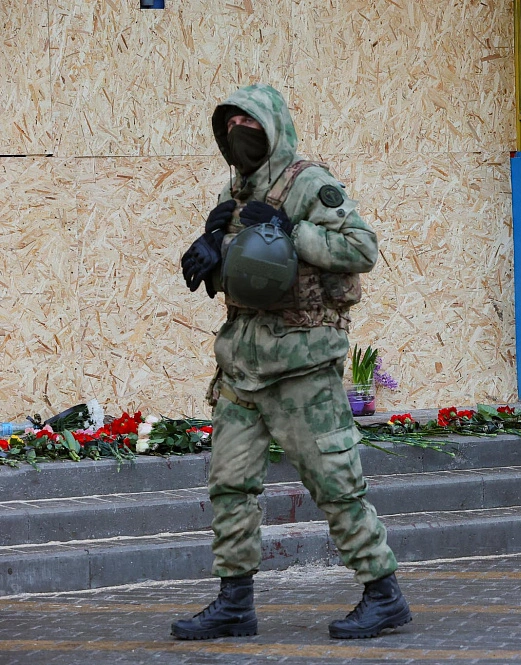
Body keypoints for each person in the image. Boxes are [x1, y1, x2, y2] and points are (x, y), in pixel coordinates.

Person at [173, 84, 412, 641]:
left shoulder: (309, 183)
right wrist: (213, 247)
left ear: (274, 129)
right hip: (242, 366)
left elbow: (362, 249)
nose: (238, 134)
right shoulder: (235, 188)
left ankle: (384, 594)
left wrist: (292, 229)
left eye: (249, 125)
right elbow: (253, 271)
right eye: (230, 126)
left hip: (303, 366)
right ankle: (235, 603)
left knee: (336, 483)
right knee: (230, 485)